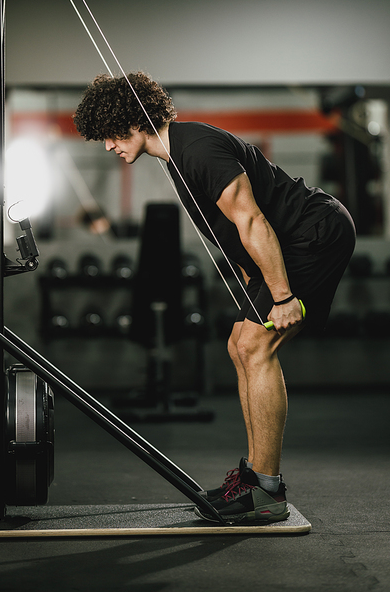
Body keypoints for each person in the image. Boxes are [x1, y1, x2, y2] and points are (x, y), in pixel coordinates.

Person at [73, 71, 356, 524]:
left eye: (109, 134)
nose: (107, 146)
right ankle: (252, 479)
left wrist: (281, 297)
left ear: (131, 119)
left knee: (254, 345)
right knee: (237, 343)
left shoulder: (197, 148)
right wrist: (253, 281)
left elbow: (252, 222)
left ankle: (266, 489)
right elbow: (229, 232)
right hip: (292, 241)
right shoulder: (176, 159)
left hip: (314, 233)